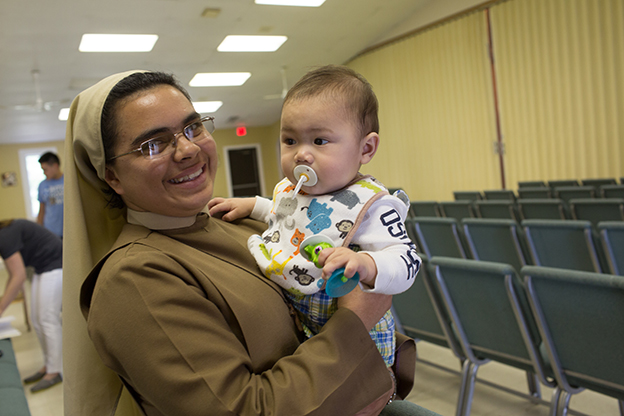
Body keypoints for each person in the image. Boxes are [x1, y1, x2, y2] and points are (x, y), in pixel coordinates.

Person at [63, 70, 418, 416]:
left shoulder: (236, 223)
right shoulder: (132, 280)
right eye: (153, 144)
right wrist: (355, 321)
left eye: (193, 127)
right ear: (113, 177)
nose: (187, 149)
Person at [209, 65, 421, 368]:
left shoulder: (371, 204)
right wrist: (254, 205)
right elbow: (291, 218)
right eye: (290, 141)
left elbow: (407, 260)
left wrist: (368, 264)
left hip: (357, 342)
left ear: (366, 148)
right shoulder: (293, 190)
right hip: (301, 330)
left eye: (319, 141)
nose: (301, 155)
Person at [0, 219, 63, 392]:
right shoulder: (4, 236)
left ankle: (56, 371)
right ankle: (48, 366)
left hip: (56, 263)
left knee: (47, 319)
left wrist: (0, 308)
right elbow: (13, 275)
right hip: (41, 267)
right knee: (36, 320)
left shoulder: (4, 237)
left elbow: (19, 276)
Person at [37, 152, 64, 239]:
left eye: (45, 169)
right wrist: (39, 232)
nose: (44, 173)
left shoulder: (69, 181)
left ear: (55, 166)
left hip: (69, 230)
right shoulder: (42, 185)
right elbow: (41, 210)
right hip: (51, 232)